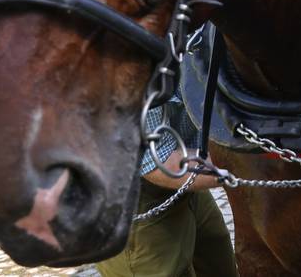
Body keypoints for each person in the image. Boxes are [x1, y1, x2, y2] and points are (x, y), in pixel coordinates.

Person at [96, 93, 237, 277]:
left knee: (219, 263)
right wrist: (253, 166)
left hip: (187, 170)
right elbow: (160, 164)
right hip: (130, 198)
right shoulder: (132, 76)